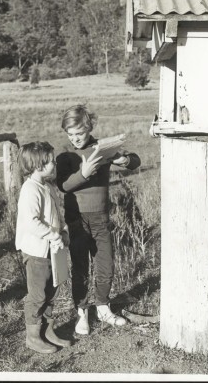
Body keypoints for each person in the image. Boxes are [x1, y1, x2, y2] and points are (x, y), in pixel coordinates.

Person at [56, 104, 141, 335]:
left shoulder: (102, 148)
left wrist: (124, 161)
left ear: (90, 127)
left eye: (80, 134)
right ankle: (82, 312)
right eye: (70, 135)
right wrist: (84, 173)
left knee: (106, 264)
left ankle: (103, 307)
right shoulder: (66, 156)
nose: (75, 139)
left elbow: (135, 161)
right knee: (81, 266)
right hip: (76, 219)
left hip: (101, 217)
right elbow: (63, 185)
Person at [16, 141, 72, 354]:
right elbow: (31, 222)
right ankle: (32, 336)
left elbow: (57, 213)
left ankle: (48, 331)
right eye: (50, 161)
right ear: (37, 165)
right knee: (37, 294)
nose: (54, 164)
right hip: (36, 250)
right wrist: (54, 234)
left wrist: (63, 230)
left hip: (52, 248)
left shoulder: (48, 186)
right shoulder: (30, 190)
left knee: (51, 290)